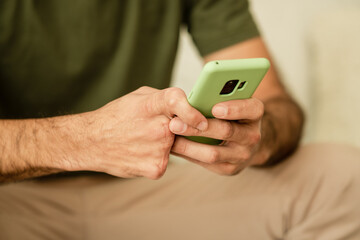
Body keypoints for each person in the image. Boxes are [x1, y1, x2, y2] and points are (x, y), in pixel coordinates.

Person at [0, 0, 359, 239]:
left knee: (344, 177)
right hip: (13, 198)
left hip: (143, 192)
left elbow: (276, 103)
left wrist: (256, 140)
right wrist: (84, 141)